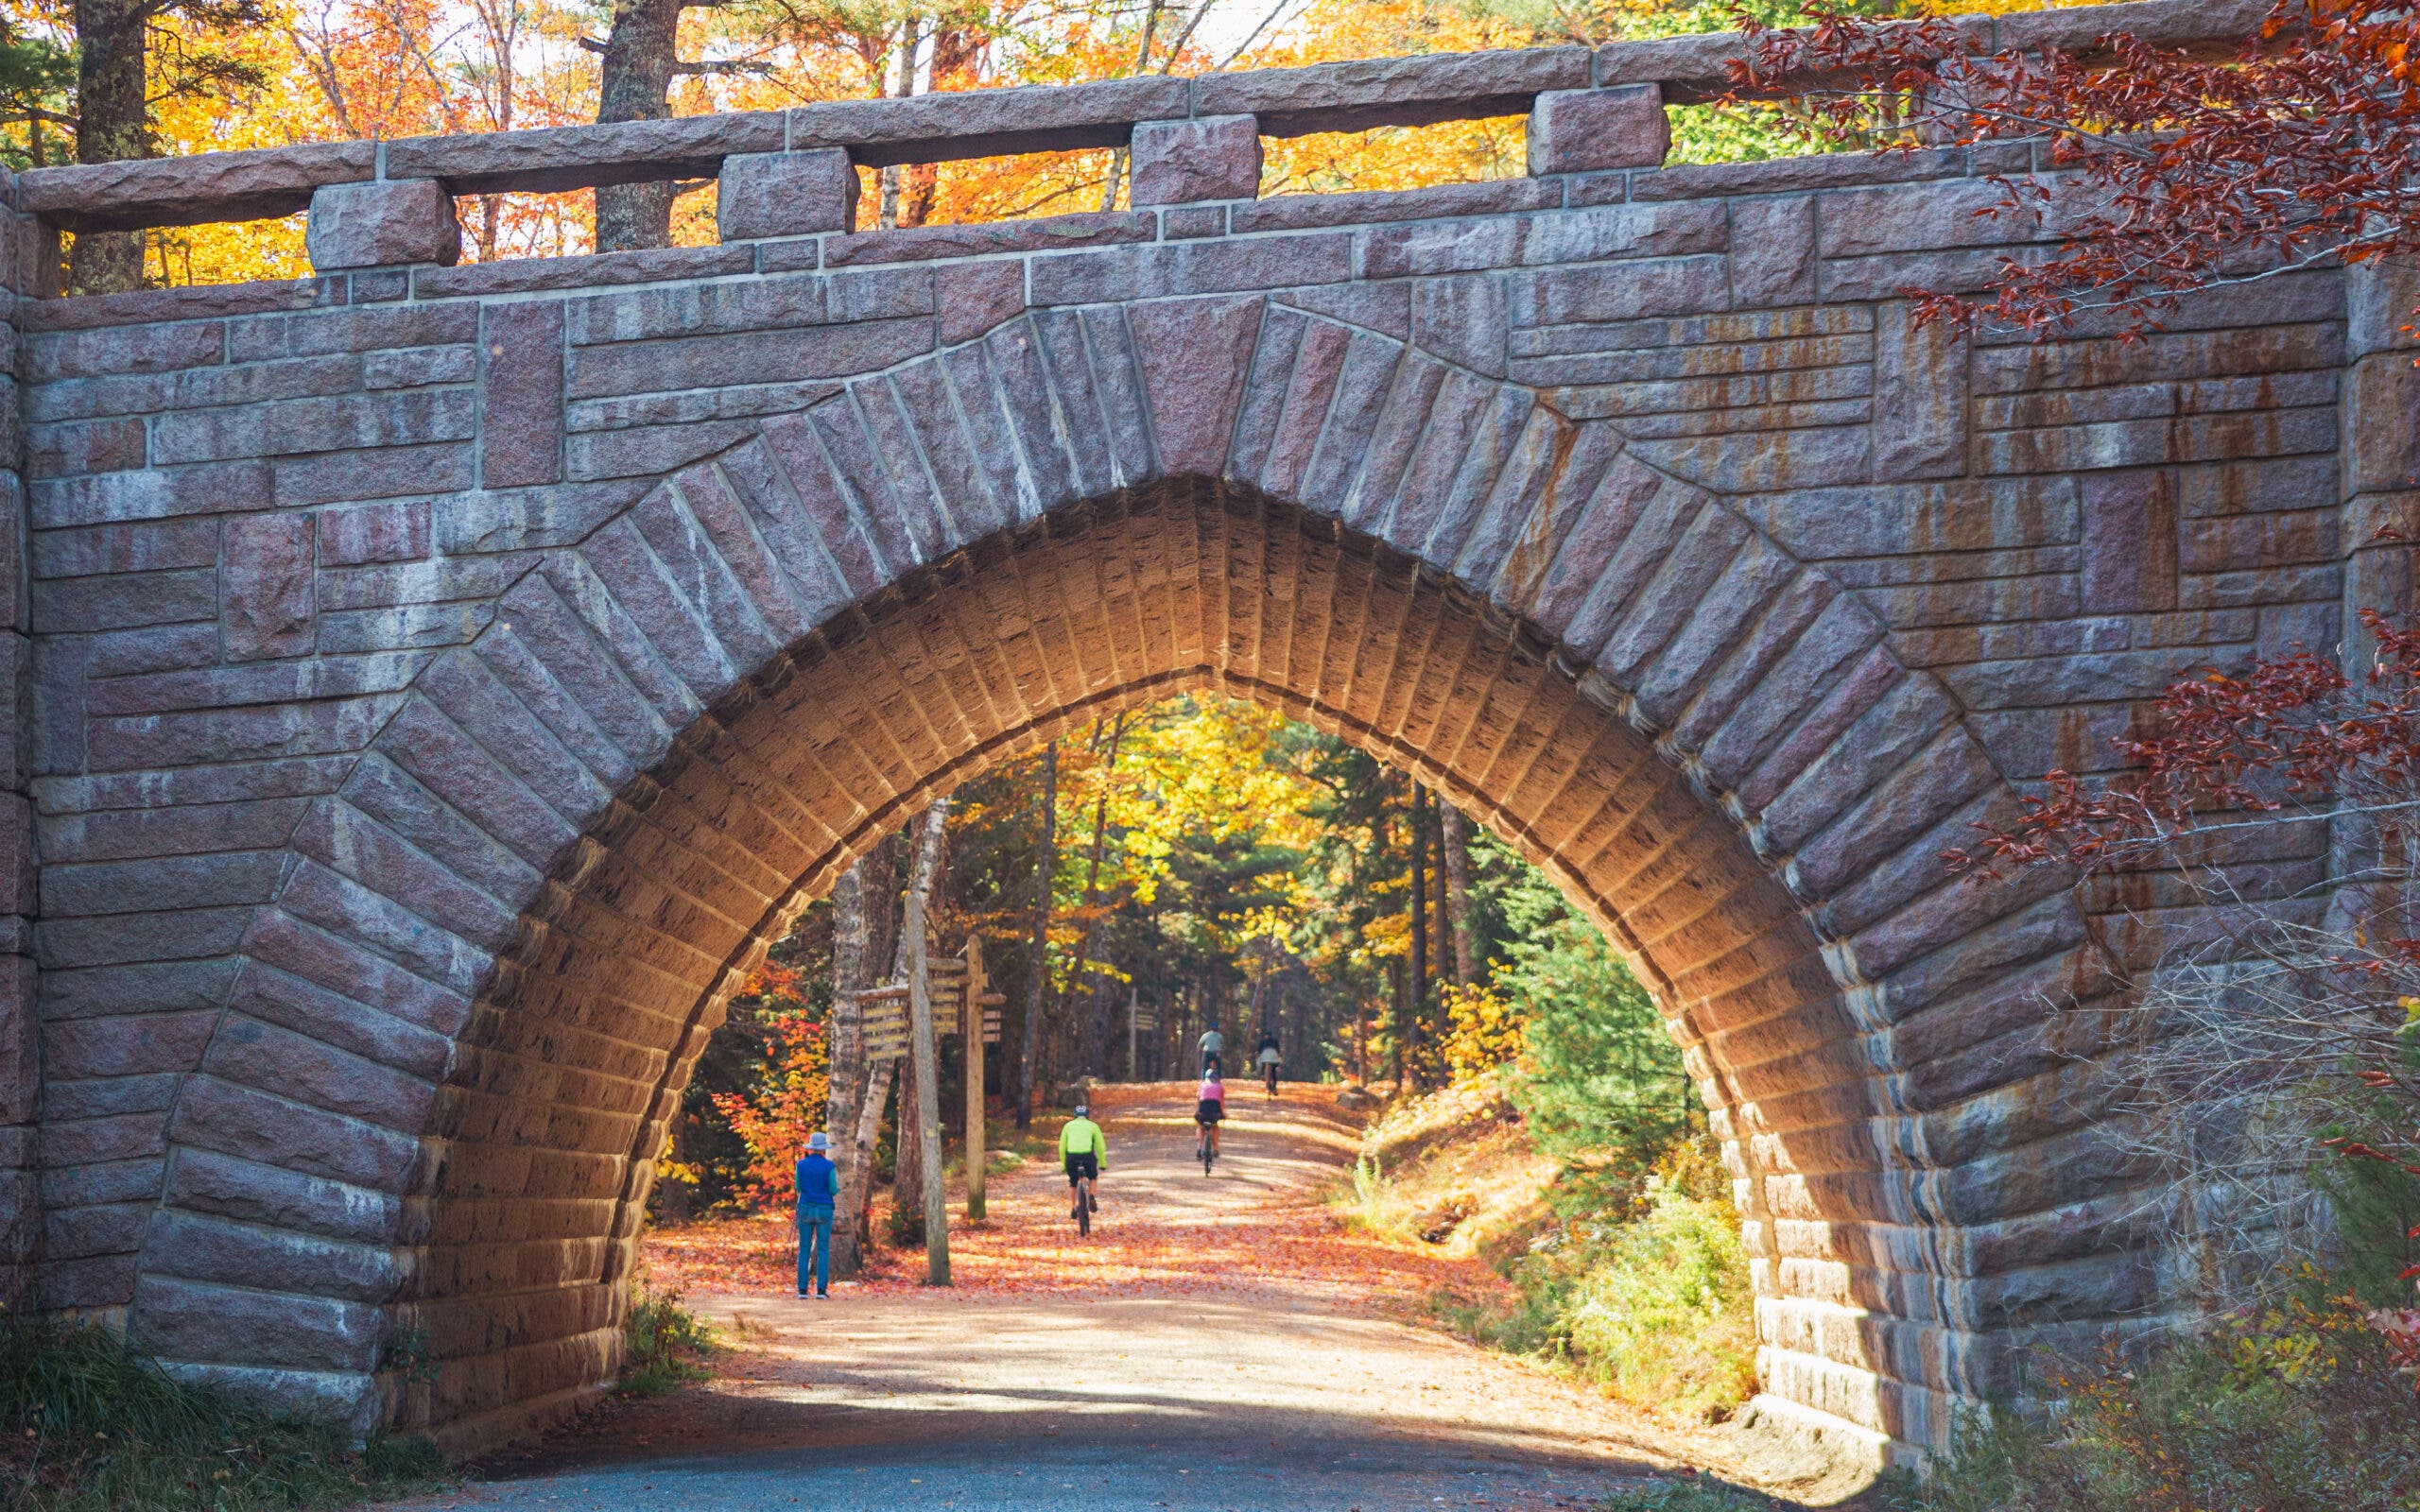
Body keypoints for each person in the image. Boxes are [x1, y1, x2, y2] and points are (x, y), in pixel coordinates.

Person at [794, 1131, 839, 1298]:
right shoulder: (829, 1166)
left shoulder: (801, 1164)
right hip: (824, 1209)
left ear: (811, 1148)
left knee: (804, 1249)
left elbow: (798, 1188)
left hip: (805, 1207)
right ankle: (821, 1291)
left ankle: (802, 1290)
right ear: (823, 1150)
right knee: (823, 1250)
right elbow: (833, 1189)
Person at [1060, 1101, 1106, 1223]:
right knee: (1093, 1177)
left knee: (1073, 1183)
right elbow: (1100, 1147)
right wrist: (1103, 1164)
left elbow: (1062, 1148)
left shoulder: (1068, 1126)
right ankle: (1091, 1196)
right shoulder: (1093, 1126)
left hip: (1072, 1157)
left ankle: (1073, 1208)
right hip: (1087, 1156)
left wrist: (1063, 1165)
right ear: (1087, 1115)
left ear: (1074, 1115)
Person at [1195, 1068, 1226, 1162]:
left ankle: (1199, 1148)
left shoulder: (1202, 1085)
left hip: (1203, 1109)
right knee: (1215, 1126)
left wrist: (1197, 1111)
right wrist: (1223, 1113)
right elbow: (1221, 1102)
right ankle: (1216, 1148)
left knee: (1200, 1127)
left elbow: (1198, 1099)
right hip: (1214, 1110)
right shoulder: (1220, 1087)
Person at [1255, 1031, 1281, 1096]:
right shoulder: (1274, 1041)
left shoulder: (1263, 1041)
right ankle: (1274, 1088)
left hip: (1267, 1059)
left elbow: (1259, 1050)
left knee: (1263, 1066)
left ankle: (1263, 1075)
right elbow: (1278, 1050)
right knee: (1274, 1072)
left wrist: (1258, 1053)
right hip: (1273, 1059)